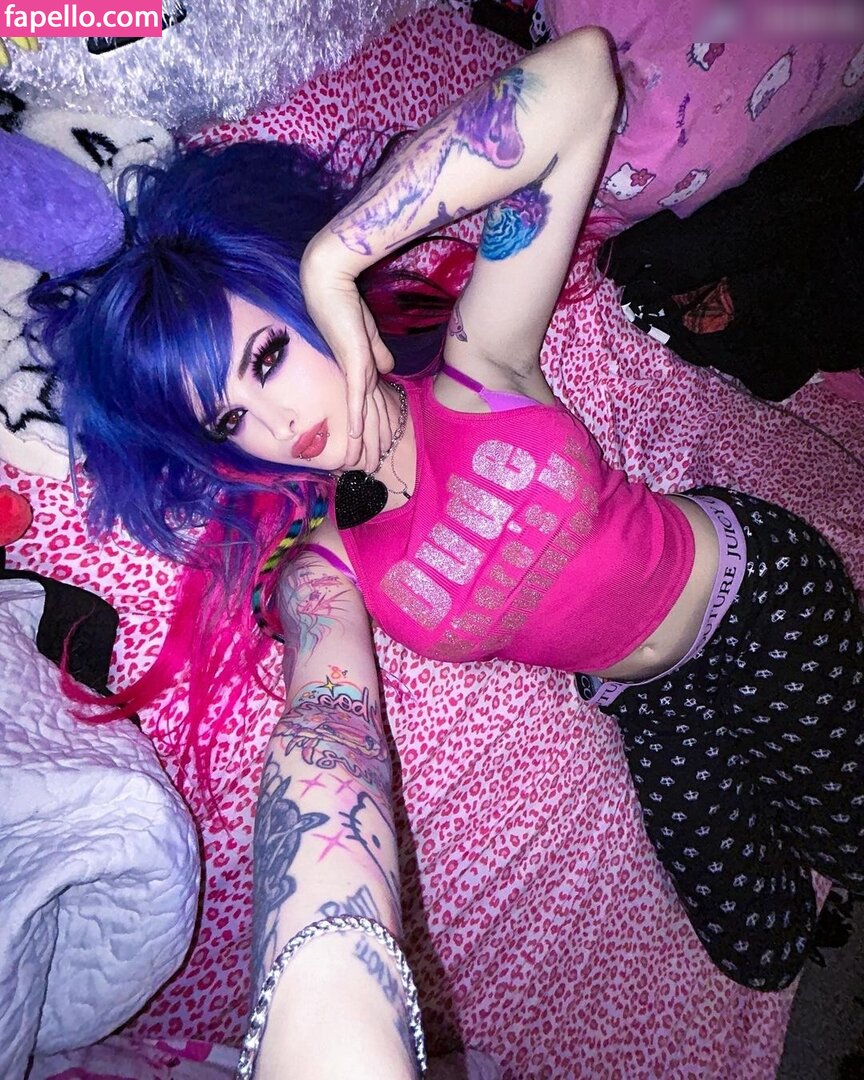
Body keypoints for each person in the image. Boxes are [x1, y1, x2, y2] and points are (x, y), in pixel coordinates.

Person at [30, 26, 863, 1080]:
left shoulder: (481, 364)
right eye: (227, 418)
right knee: (764, 949)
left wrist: (334, 259)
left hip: (749, 596)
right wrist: (326, 974)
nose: (274, 423)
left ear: (300, 305)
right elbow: (326, 727)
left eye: (268, 354)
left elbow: (580, 80)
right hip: (649, 697)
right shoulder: (325, 560)